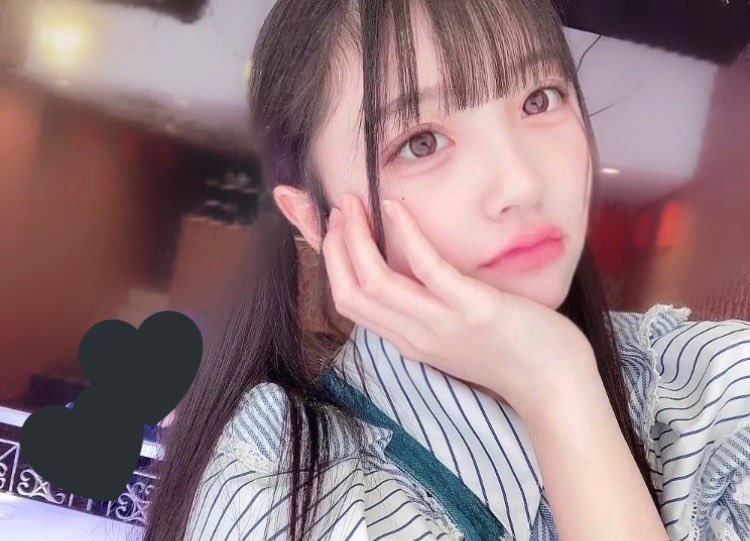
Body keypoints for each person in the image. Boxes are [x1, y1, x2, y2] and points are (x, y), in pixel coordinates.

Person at [142, 1, 750, 540]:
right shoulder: (283, 484)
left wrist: (563, 389)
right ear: (312, 218)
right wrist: (554, 388)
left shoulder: (713, 386)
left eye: (539, 99)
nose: (521, 183)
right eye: (421, 143)